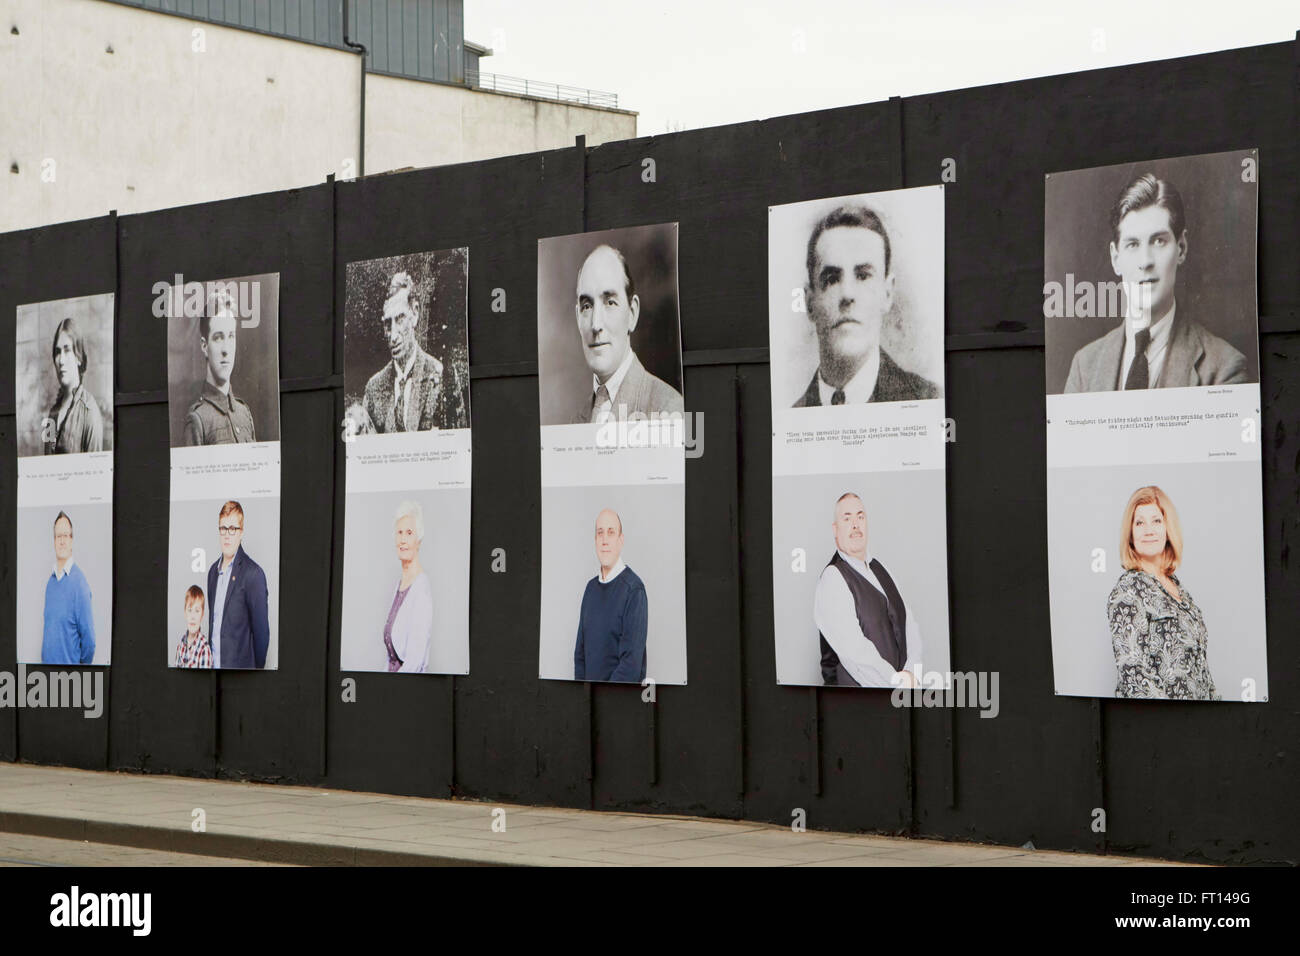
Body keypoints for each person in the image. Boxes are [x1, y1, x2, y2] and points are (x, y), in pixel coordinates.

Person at [1063, 173, 1247, 392]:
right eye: (1132, 244)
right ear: (1115, 258)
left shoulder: (1224, 368)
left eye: (1159, 241)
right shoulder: (1084, 367)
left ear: (1181, 248)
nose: (1145, 262)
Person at [794, 205, 939, 407]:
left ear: (887, 294)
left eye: (863, 276)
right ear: (809, 303)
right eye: (832, 279)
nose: (847, 294)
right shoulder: (792, 416)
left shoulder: (929, 400)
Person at [1108, 485, 1218, 700]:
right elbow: (1133, 675)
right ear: (1130, 534)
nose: (1149, 530)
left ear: (1168, 529)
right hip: (1161, 723)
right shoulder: (1129, 589)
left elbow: (1200, 667)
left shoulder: (1178, 589)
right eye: (1139, 522)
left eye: (1156, 520)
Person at [813, 493, 922, 687]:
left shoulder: (882, 569)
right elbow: (854, 653)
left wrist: (912, 672)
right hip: (857, 704)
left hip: (899, 698)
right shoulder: (833, 578)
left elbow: (909, 626)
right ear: (835, 529)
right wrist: (898, 681)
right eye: (847, 518)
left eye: (860, 516)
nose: (855, 524)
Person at [573, 244, 683, 424]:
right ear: (578, 317)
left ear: (632, 313)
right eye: (587, 306)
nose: (596, 324)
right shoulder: (576, 422)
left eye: (610, 302)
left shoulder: (669, 409)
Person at [360, 271, 466, 433]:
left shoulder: (442, 376)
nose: (393, 336)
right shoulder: (374, 388)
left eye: (400, 319)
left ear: (415, 314)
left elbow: (459, 443)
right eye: (388, 324)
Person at [574, 508, 648, 682]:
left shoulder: (634, 591)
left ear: (620, 540)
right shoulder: (590, 589)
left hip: (619, 703)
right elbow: (580, 656)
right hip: (588, 704)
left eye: (611, 532)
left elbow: (631, 666)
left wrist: (602, 701)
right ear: (595, 540)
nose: (605, 540)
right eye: (600, 533)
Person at [184, 288, 257, 444]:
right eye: (218, 338)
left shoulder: (244, 413)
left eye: (231, 336)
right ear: (204, 346)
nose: (226, 349)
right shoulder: (198, 420)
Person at [206, 500, 270, 669]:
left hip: (241, 677)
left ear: (241, 532)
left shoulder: (253, 574)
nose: (227, 534)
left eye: (233, 529)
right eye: (223, 528)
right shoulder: (213, 572)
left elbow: (262, 637)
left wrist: (251, 675)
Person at [380, 500, 434, 673]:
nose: (403, 539)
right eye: (399, 532)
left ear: (419, 539)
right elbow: (390, 658)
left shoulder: (421, 591)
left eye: (409, 533)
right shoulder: (399, 585)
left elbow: (415, 662)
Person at [41, 511, 96, 665]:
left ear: (72, 541)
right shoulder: (50, 585)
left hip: (69, 683)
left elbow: (89, 643)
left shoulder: (79, 584)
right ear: (54, 541)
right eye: (58, 536)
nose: (62, 541)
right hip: (46, 679)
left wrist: (77, 674)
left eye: (66, 536)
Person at [44, 317, 105, 455]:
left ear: (78, 356)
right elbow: (45, 461)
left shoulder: (89, 411)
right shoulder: (52, 414)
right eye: (58, 352)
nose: (61, 360)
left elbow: (96, 472)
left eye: (67, 350)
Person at [174, 585, 213, 669]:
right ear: (185, 613)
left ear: (202, 615)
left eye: (197, 611)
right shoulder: (180, 646)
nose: (193, 616)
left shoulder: (204, 649)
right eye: (190, 610)